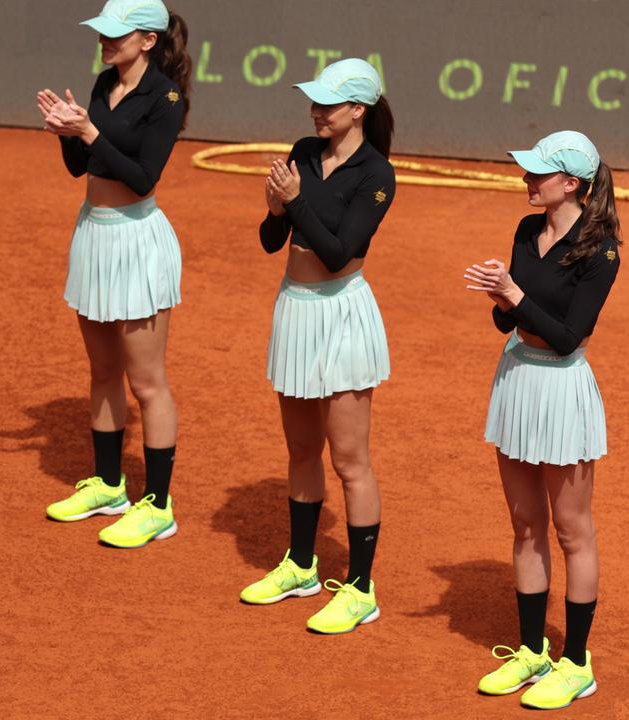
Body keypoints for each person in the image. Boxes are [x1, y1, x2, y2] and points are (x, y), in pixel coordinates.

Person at [463, 131, 619, 710]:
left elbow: (568, 336)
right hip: (516, 381)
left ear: (570, 184)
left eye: (538, 173)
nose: (527, 180)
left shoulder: (600, 251)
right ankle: (532, 651)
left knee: (572, 528)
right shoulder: (528, 230)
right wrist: (500, 297)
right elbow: (511, 325)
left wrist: (513, 294)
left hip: (561, 388)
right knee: (525, 523)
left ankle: (576, 663)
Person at [238, 58, 396, 634]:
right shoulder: (304, 149)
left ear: (358, 110)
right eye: (314, 102)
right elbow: (271, 240)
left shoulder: (377, 174)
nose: (315, 111)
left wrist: (296, 199)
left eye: (328, 104)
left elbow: (339, 251)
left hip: (343, 315)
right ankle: (302, 565)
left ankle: (360, 587)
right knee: (301, 451)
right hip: (295, 313)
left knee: (350, 460)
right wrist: (276, 208)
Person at [36, 0, 189, 549]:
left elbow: (143, 178)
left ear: (147, 40)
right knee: (102, 370)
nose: (105, 41)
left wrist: (91, 132)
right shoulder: (104, 85)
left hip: (137, 241)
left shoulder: (167, 98)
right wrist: (68, 133)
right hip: (95, 236)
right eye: (101, 33)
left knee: (146, 382)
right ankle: (108, 484)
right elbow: (84, 167)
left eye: (115, 34)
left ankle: (159, 505)